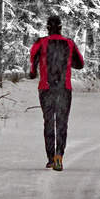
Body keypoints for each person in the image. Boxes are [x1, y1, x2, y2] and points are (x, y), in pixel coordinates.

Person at [28, 14, 84, 171]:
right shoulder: (69, 43)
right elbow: (80, 64)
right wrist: (65, 61)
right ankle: (59, 155)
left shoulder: (40, 43)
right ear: (60, 28)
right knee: (61, 123)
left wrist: (35, 71)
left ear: (47, 27)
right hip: (64, 88)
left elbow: (33, 66)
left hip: (46, 88)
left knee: (48, 122)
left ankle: (50, 158)